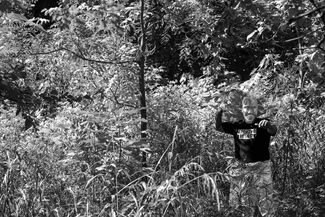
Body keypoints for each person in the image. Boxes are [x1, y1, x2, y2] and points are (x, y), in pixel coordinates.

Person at [215, 94, 277, 217]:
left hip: (261, 167)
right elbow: (219, 127)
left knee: (267, 204)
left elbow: (273, 130)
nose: (250, 111)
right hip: (242, 168)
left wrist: (268, 126)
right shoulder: (237, 125)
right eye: (246, 107)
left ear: (257, 109)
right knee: (245, 204)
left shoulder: (263, 123)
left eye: (253, 107)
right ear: (242, 109)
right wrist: (219, 111)